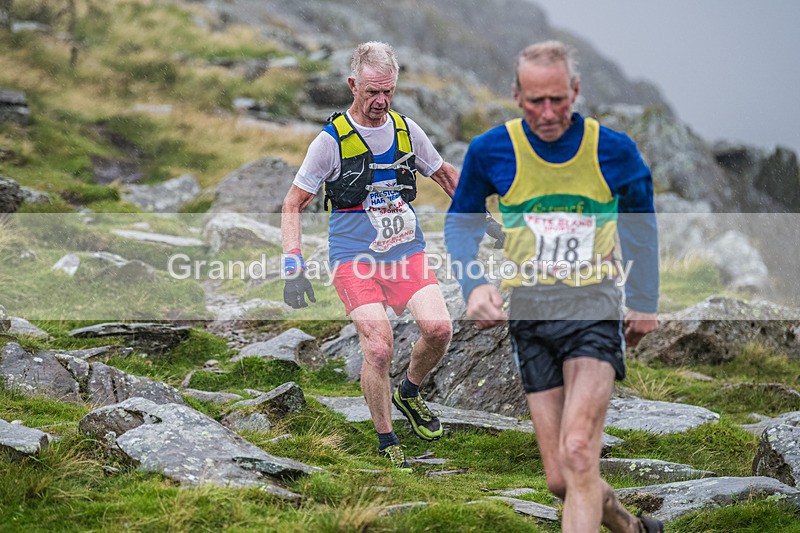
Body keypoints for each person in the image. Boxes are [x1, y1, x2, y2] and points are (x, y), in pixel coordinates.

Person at [444, 41, 663, 532]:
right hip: (530, 313)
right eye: (535, 101)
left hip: (594, 307)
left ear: (576, 91)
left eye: (558, 100)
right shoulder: (491, 151)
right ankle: (632, 528)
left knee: (579, 450)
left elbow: (641, 226)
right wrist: (474, 283)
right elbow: (461, 223)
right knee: (561, 480)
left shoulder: (614, 150)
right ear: (517, 95)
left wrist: (645, 302)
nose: (547, 113)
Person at [281, 41, 503, 471]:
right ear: (353, 85)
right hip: (353, 258)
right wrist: (294, 267)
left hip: (405, 252)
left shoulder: (406, 130)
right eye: (371, 93)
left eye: (388, 92)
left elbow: (444, 174)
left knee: (439, 329)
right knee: (379, 348)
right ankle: (387, 439)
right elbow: (293, 203)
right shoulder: (329, 143)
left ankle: (410, 391)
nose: (380, 102)